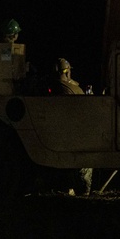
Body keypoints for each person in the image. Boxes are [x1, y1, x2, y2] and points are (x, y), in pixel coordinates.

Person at [50, 58, 93, 194]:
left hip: (61, 136)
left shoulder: (54, 87)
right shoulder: (69, 89)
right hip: (75, 135)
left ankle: (69, 189)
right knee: (83, 164)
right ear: (67, 72)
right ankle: (83, 192)